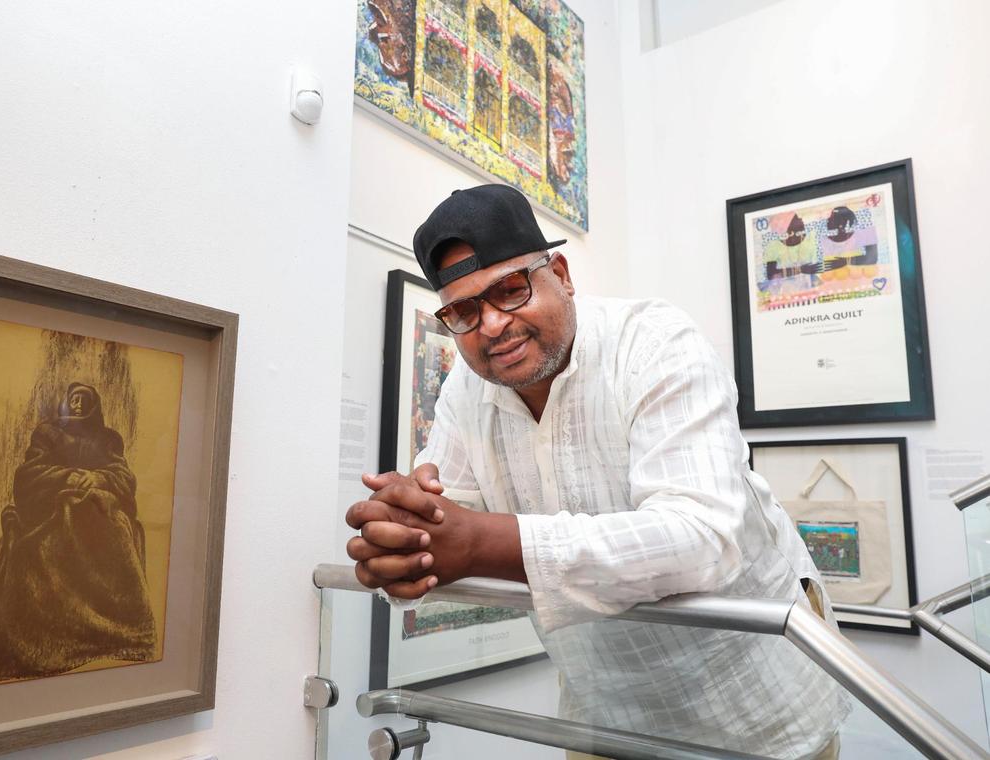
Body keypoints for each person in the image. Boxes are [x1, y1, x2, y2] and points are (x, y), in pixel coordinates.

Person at [345, 185, 850, 759]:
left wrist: (479, 541)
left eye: (510, 289)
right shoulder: (466, 390)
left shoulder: (654, 343)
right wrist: (402, 540)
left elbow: (700, 538)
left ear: (560, 274)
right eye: (463, 312)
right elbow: (442, 520)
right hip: (605, 710)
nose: (492, 324)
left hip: (752, 698)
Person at [0, 382, 156, 683]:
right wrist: (67, 477)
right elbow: (28, 474)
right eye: (74, 399)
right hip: (53, 514)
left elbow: (123, 476)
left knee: (118, 532)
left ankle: (118, 635)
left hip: (100, 518)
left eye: (84, 400)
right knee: (45, 544)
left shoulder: (109, 439)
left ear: (94, 406)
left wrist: (98, 479)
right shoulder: (47, 434)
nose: (78, 405)